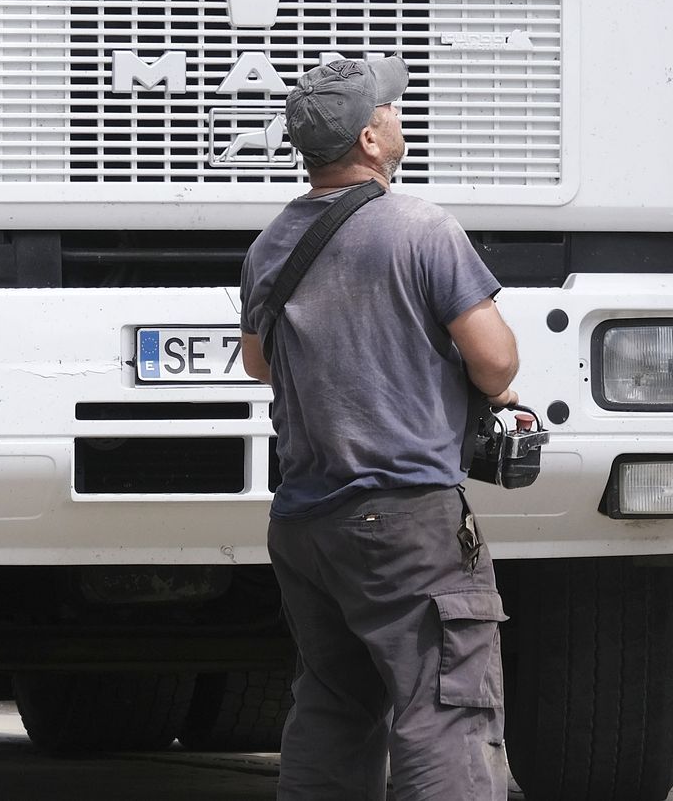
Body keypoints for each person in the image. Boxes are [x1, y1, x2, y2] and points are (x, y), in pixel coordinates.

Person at [238, 56, 519, 801]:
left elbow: (258, 364)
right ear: (368, 138)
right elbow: (494, 364)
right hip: (405, 524)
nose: (398, 115)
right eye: (389, 109)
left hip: (304, 523)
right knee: (443, 711)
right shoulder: (422, 228)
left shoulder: (270, 245)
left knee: (333, 707)